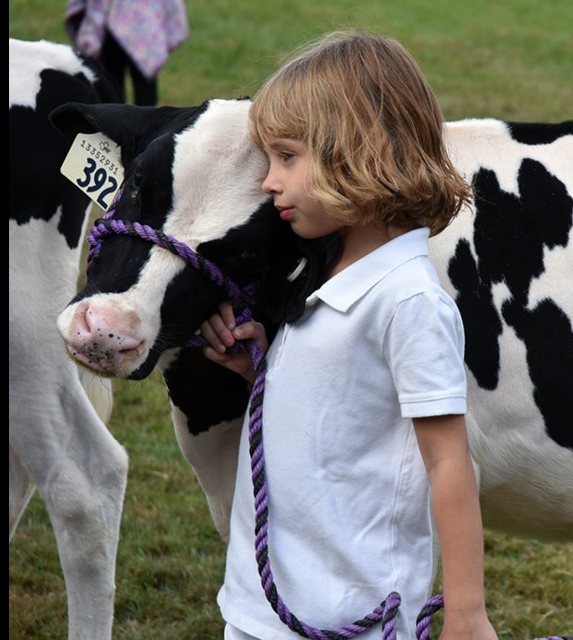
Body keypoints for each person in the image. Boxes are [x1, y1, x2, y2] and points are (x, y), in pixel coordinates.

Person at [199, 30, 498, 640]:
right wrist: (262, 370)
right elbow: (344, 406)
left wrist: (466, 614)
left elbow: (448, 462)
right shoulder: (324, 273)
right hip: (265, 603)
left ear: (359, 153)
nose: (268, 182)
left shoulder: (409, 302)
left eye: (287, 157)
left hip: (346, 616)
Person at [64, 0, 188, 106]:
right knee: (113, 88)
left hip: (143, 28)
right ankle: (116, 128)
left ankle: (147, 130)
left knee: (144, 90)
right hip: (110, 35)